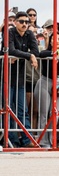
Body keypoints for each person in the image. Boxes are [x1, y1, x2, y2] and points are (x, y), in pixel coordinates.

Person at [4, 12, 39, 146]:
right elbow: (10, 50)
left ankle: (27, 139)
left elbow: (36, 52)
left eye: (26, 22)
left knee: (22, 110)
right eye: (21, 21)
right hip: (7, 77)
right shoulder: (10, 32)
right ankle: (11, 140)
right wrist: (29, 56)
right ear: (15, 22)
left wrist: (29, 55)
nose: (24, 24)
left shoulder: (29, 34)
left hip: (20, 77)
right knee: (8, 109)